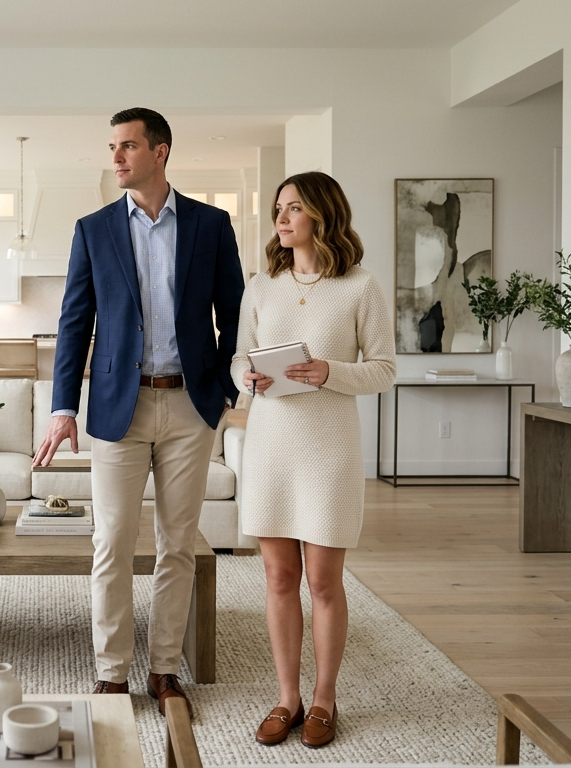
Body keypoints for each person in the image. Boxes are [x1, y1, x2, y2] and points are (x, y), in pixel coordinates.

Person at [33, 107, 244, 717]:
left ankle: (165, 670)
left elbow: (233, 313)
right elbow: (75, 324)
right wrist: (62, 407)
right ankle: (110, 674)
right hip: (117, 410)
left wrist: (228, 390)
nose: (117, 157)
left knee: (177, 545)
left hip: (190, 405)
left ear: (162, 152)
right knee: (112, 544)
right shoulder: (94, 229)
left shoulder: (210, 224)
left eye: (128, 146)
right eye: (113, 147)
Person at [233, 172, 395, 748]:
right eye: (279, 208)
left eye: (294, 208)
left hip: (329, 451)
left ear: (322, 216)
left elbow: (383, 369)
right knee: (279, 577)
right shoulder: (263, 284)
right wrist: (245, 377)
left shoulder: (359, 286)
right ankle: (287, 697)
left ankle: (324, 699)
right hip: (271, 444)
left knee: (324, 582)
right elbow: (236, 359)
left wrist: (332, 372)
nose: (281, 218)